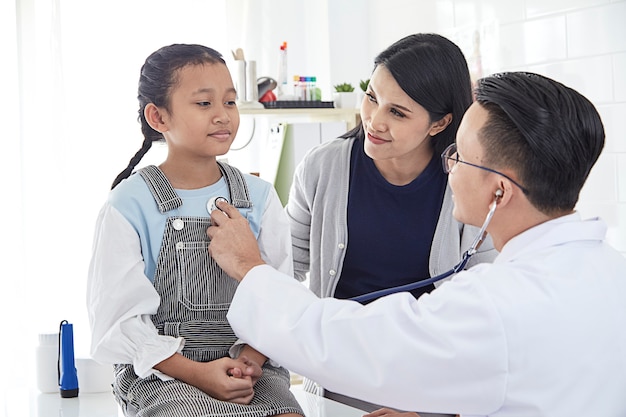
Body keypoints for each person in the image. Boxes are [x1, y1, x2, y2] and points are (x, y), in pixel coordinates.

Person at [206, 72, 626, 416]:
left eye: (458, 156)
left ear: (499, 192)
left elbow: (343, 344)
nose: (450, 168)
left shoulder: (494, 305)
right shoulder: (611, 270)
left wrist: (250, 267)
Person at [86, 44, 303, 417]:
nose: (223, 116)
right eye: (204, 104)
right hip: (162, 373)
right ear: (158, 117)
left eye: (230, 103)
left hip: (249, 368)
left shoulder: (259, 197)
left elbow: (281, 293)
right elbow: (118, 322)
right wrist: (198, 374)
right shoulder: (129, 204)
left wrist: (249, 361)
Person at [286, 32, 496, 412]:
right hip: (338, 375)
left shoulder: (468, 185)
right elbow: (283, 267)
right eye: (372, 98)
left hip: (432, 383)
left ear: (439, 123)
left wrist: (426, 409)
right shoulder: (322, 167)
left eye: (397, 112)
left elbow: (488, 314)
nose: (375, 121)